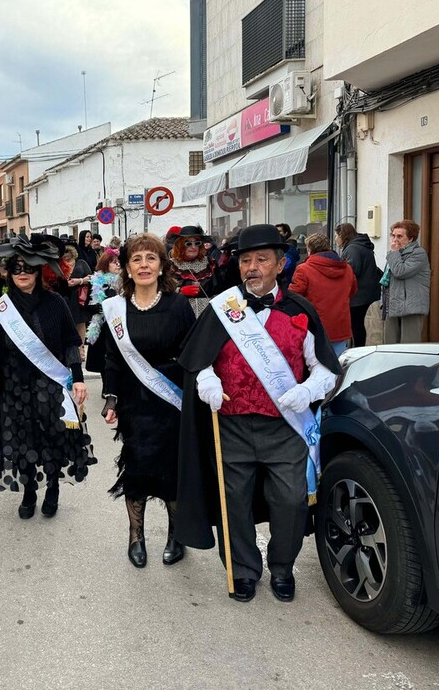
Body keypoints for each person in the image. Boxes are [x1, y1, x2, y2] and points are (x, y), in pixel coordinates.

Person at [176, 223, 341, 603]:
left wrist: (308, 390)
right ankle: (244, 570)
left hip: (285, 429)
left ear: (280, 264)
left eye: (261, 260)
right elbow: (199, 360)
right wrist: (208, 382)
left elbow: (325, 369)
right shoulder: (224, 309)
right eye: (246, 260)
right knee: (233, 502)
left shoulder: (300, 311)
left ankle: (282, 567)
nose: (252, 267)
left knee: (291, 500)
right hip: (231, 426)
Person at [0, 234, 95, 518]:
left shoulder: (55, 303)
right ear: (8, 270)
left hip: (49, 385)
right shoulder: (1, 307)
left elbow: (71, 342)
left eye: (29, 268)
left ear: (40, 270)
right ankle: (30, 491)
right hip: (13, 386)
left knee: (52, 439)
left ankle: (53, 487)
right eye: (17, 267)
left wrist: (78, 377)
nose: (22, 273)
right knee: (21, 441)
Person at [101, 233, 195, 568]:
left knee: (172, 471)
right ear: (126, 268)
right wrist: (111, 398)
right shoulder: (117, 309)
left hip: (172, 401)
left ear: (161, 265)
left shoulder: (178, 305)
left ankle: (175, 535)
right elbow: (112, 357)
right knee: (138, 468)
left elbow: (192, 354)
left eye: (150, 258)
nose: (144, 265)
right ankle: (136, 536)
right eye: (136, 259)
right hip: (134, 403)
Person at [289, 233, 357, 356]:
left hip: (314, 326)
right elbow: (353, 291)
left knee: (315, 367)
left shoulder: (304, 269)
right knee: (338, 367)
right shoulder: (347, 268)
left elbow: (293, 297)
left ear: (310, 250)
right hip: (340, 325)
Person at [381, 220, 431, 345]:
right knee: (389, 344)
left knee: (408, 345)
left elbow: (400, 272)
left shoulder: (418, 253)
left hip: (411, 306)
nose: (395, 239)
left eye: (399, 236)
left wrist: (393, 253)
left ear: (410, 238)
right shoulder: (396, 254)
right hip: (393, 304)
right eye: (393, 235)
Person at [334, 223, 381, 348]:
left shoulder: (353, 249)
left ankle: (358, 351)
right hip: (367, 294)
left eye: (336, 236)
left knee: (357, 326)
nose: (335, 239)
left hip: (359, 296)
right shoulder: (360, 245)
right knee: (359, 326)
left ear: (342, 235)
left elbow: (351, 272)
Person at [84, 251, 120, 375]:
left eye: (119, 262)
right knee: (103, 360)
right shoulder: (97, 281)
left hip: (118, 323)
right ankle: (106, 387)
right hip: (102, 325)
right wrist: (101, 307)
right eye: (114, 262)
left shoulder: (123, 281)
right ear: (106, 264)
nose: (118, 265)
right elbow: (88, 304)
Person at [169, 225, 218, 318]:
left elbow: (220, 287)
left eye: (197, 243)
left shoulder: (209, 262)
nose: (194, 247)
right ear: (180, 245)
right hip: (182, 314)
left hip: (207, 315)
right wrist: (180, 291)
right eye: (188, 244)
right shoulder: (171, 266)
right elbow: (162, 291)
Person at [62, 242, 93, 354]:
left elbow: (91, 277)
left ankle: (81, 349)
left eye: (67, 252)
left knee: (80, 323)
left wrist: (79, 281)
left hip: (80, 298)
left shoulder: (81, 263)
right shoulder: (60, 265)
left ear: (72, 252)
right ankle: (72, 349)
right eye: (63, 252)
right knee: (68, 324)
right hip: (66, 297)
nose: (65, 255)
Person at [275, 223, 300, 289]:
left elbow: (279, 272)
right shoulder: (286, 250)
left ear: (286, 233)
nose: (277, 234)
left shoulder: (287, 253)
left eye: (279, 231)